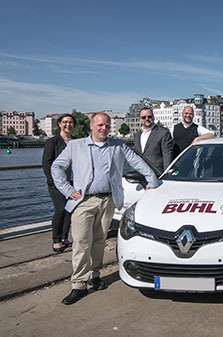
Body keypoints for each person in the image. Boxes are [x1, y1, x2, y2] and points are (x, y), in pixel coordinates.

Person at [52, 112, 160, 305]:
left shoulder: (117, 146)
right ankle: (78, 284)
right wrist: (68, 190)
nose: (104, 128)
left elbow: (137, 162)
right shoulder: (76, 146)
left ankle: (95, 275)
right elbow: (57, 167)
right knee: (81, 243)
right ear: (91, 127)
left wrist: (152, 180)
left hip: (107, 201)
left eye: (107, 126)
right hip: (83, 202)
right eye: (100, 125)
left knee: (99, 240)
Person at [42, 114, 76, 253]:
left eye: (71, 122)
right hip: (57, 183)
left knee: (69, 211)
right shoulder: (53, 142)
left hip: (72, 182)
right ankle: (56, 240)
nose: (68, 125)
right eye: (65, 122)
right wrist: (52, 181)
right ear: (60, 124)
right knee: (60, 210)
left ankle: (64, 237)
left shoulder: (75, 142)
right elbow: (46, 162)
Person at [134, 107, 174, 172]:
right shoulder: (137, 135)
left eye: (149, 117)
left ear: (153, 117)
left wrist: (167, 172)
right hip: (139, 172)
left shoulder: (163, 133)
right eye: (143, 117)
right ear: (140, 119)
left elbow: (167, 154)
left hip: (156, 172)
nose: (147, 119)